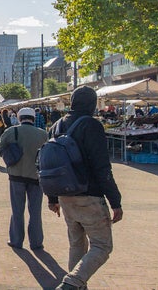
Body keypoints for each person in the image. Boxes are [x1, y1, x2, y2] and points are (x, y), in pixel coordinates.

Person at [47, 86, 123, 290]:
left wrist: (52, 198)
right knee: (102, 245)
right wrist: (115, 201)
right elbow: (102, 167)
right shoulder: (91, 125)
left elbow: (50, 164)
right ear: (92, 104)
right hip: (89, 196)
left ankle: (76, 285)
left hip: (65, 195)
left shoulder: (56, 126)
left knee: (77, 245)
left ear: (72, 103)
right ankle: (72, 283)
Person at [0, 107, 48, 250]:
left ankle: (16, 240)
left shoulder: (12, 131)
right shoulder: (43, 134)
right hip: (36, 176)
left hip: (16, 175)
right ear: (33, 118)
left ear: (19, 118)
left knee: (17, 210)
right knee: (35, 211)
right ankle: (36, 242)